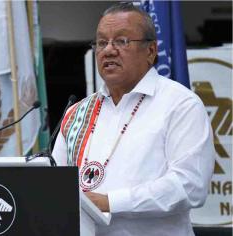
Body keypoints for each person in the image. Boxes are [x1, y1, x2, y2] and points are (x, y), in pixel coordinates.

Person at [52, 2, 215, 236]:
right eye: (101, 42)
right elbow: (56, 185)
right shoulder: (78, 112)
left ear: (151, 51)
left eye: (122, 41)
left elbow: (190, 186)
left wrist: (110, 202)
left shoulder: (180, 105)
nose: (108, 50)